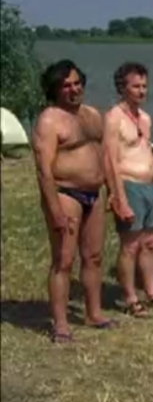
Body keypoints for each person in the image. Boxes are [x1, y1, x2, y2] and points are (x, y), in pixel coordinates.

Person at [32, 60, 117, 343]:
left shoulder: (92, 115)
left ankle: (94, 313)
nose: (74, 89)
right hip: (65, 194)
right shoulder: (49, 120)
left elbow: (105, 156)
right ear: (55, 89)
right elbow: (44, 170)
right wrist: (54, 210)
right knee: (64, 260)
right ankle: (60, 324)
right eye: (66, 85)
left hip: (94, 193)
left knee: (94, 257)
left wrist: (113, 191)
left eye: (77, 83)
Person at [103, 62, 153, 317]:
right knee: (130, 245)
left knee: (150, 242)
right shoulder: (114, 117)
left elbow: (148, 154)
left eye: (144, 86)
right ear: (123, 88)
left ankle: (151, 291)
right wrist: (118, 196)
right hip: (128, 184)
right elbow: (109, 159)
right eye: (136, 86)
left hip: (150, 185)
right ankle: (130, 297)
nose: (142, 91)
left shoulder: (145, 118)